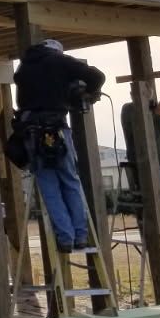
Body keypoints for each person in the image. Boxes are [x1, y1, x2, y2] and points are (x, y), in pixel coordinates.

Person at [12, 39, 105, 252]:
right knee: (70, 181)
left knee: (49, 186)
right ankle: (80, 236)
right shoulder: (60, 61)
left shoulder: (24, 66)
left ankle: (65, 238)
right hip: (57, 129)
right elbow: (97, 77)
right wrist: (87, 93)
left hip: (33, 133)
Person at [121, 95, 160, 210]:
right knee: (150, 200)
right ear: (132, 94)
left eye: (149, 89)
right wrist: (152, 116)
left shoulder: (156, 110)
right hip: (142, 164)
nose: (147, 93)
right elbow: (137, 131)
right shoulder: (128, 109)